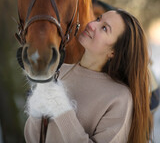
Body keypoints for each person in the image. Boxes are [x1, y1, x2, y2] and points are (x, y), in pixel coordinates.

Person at [24, 9, 152, 143]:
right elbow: (32, 139)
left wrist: (62, 110)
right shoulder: (58, 71)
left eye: (104, 28)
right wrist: (36, 114)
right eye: (98, 19)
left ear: (113, 52)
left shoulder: (120, 97)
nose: (91, 25)